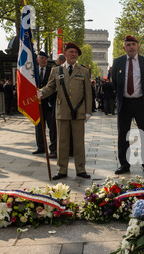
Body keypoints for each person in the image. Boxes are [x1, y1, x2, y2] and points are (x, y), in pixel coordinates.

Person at [38, 42, 93, 180]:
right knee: (61, 142)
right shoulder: (56, 71)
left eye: (76, 52)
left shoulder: (84, 71)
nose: (74, 54)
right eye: (71, 52)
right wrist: (39, 93)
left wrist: (88, 111)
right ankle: (61, 170)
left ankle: (81, 169)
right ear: (65, 54)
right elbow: (50, 87)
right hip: (62, 111)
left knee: (79, 143)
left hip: (79, 111)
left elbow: (88, 93)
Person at [112, 35, 144, 175]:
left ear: (137, 46)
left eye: (133, 44)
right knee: (123, 135)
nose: (131, 47)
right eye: (128, 44)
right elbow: (115, 83)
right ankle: (124, 164)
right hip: (124, 103)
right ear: (124, 47)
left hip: (141, 103)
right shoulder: (117, 62)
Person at [33, 51, 57, 158]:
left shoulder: (51, 70)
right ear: (37, 59)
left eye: (45, 58)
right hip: (37, 104)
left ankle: (53, 149)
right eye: (42, 58)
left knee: (52, 128)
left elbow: (53, 87)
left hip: (49, 104)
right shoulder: (32, 72)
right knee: (39, 127)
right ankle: (41, 147)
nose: (44, 60)